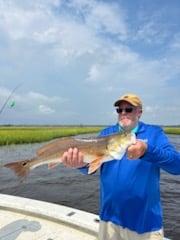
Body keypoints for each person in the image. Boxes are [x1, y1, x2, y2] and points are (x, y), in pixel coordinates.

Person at [62, 93, 180, 240]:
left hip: (144, 223)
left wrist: (146, 150)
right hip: (109, 219)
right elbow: (91, 167)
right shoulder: (106, 134)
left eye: (128, 109)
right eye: (120, 110)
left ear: (139, 112)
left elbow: (177, 166)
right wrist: (79, 165)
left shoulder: (154, 133)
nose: (123, 113)